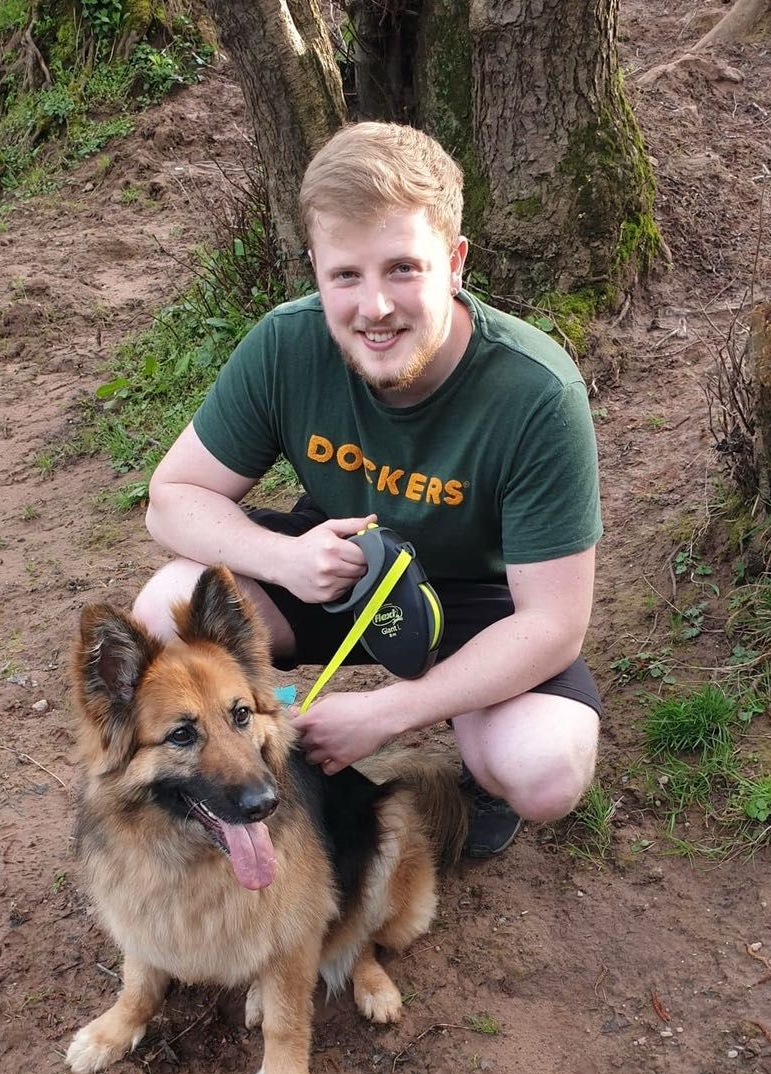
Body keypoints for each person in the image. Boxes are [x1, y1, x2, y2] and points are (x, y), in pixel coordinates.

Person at [132, 121, 601, 858]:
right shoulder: (286, 345)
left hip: (481, 605)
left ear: (455, 262)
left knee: (545, 768)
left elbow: (553, 624)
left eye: (403, 269)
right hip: (341, 575)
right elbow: (171, 498)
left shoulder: (535, 393)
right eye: (346, 276)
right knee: (165, 608)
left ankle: (473, 747)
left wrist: (389, 712)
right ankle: (244, 746)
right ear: (316, 270)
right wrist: (286, 561)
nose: (374, 307)